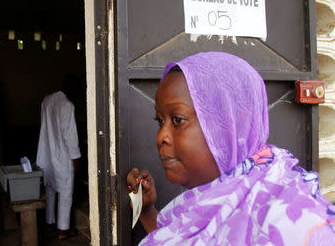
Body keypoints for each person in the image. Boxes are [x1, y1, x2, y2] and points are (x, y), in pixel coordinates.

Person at [127, 52, 335, 245]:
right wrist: (146, 211)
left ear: (228, 125)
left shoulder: (291, 219)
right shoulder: (203, 204)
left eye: (177, 120)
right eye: (160, 120)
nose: (161, 136)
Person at [36, 76, 81, 240]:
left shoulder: (47, 100)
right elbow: (70, 134)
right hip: (62, 157)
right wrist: (75, 158)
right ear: (71, 88)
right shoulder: (67, 105)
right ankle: (63, 230)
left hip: (47, 155)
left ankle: (49, 222)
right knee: (65, 193)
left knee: (50, 190)